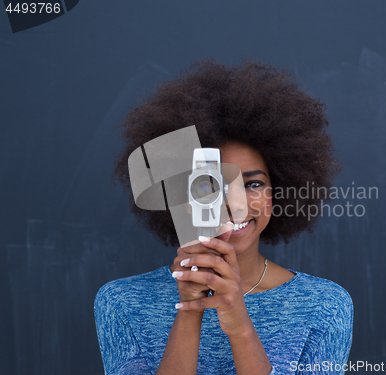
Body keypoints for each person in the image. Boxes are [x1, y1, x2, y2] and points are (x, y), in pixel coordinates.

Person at [94, 60, 353, 374]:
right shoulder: (122, 303)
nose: (236, 204)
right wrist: (189, 311)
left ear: (278, 193)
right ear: (183, 197)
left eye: (253, 184)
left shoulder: (325, 306)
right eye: (212, 185)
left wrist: (240, 325)